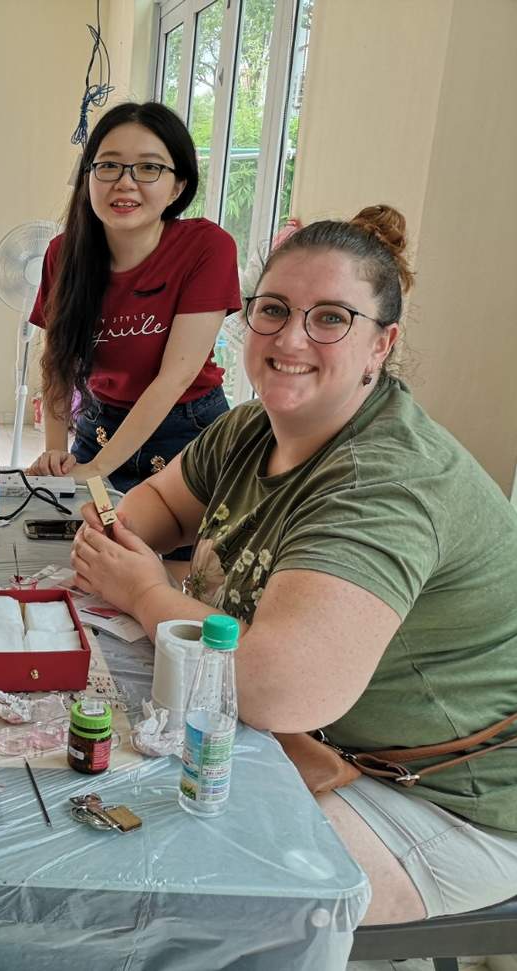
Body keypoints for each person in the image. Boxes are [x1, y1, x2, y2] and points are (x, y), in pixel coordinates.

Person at [69, 205, 517, 925]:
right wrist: (124, 536)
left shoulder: (384, 481)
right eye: (272, 310)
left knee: (162, 886)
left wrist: (145, 591)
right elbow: (153, 505)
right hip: (311, 742)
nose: (290, 338)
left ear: (382, 344)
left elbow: (277, 684)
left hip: (444, 799)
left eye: (330, 318)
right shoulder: (253, 427)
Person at [27, 102, 240, 521]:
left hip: (188, 430)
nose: (125, 183)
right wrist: (55, 452)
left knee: (182, 570)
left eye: (148, 168)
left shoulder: (207, 248)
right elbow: (58, 363)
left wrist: (97, 470)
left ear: (178, 186)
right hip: (100, 423)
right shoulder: (63, 255)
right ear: (88, 177)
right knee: (88, 552)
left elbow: (175, 377)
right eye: (109, 166)